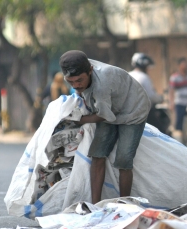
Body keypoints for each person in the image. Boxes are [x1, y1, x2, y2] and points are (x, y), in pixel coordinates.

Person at [59, 50, 151, 204]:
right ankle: (96, 204)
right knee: (97, 154)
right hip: (110, 108)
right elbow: (105, 113)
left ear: (90, 71)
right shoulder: (79, 64)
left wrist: (81, 120)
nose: (76, 85)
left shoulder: (101, 86)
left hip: (133, 110)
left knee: (124, 159)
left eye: (80, 81)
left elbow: (105, 116)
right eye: (71, 82)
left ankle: (124, 203)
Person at [129, 53, 170, 134]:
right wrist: (161, 98)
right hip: (142, 111)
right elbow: (151, 96)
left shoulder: (128, 74)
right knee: (159, 131)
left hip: (127, 110)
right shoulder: (144, 77)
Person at [168, 57, 187, 132]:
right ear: (179, 66)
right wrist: (171, 102)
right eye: (183, 64)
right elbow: (171, 91)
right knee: (179, 122)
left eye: (185, 64)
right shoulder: (175, 77)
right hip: (179, 102)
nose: (185, 66)